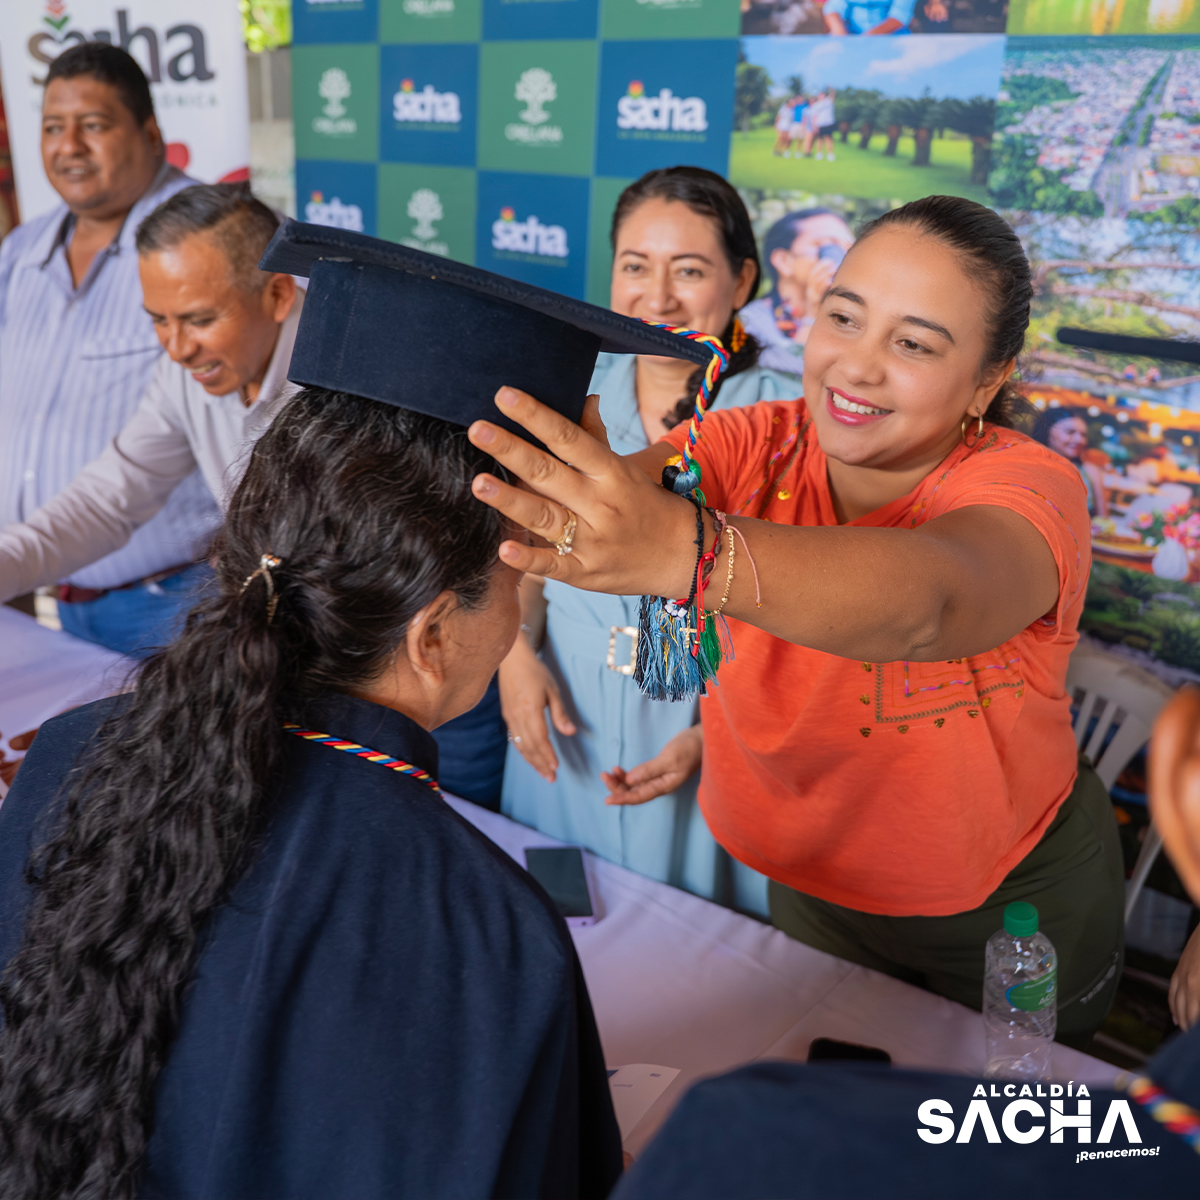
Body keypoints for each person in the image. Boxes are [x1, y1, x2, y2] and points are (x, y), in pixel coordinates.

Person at [0, 216, 713, 1198]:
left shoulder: (65, 756)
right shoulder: (484, 931)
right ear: (431, 633)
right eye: (515, 587)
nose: (516, 620)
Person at [468, 195, 1126, 1045]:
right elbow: (621, 499)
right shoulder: (754, 440)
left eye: (915, 344)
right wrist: (555, 497)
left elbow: (929, 605)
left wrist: (682, 551)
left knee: (1003, 1148)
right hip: (807, 887)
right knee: (837, 1123)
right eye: (842, 318)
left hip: (1007, 909)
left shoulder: (1029, 487)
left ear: (989, 380)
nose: (855, 367)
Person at [610, 687, 1200, 1199]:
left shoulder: (738, 1127)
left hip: (1006, 892)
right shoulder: (1126, 1138)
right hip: (823, 865)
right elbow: (1112, 1138)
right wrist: (716, 734)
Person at [498, 167, 797, 915]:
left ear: (743, 279)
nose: (657, 298)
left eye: (689, 270)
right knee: (563, 950)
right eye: (635, 267)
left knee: (703, 971)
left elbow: (808, 627)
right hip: (566, 718)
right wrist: (512, 659)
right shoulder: (571, 394)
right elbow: (526, 557)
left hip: (713, 739)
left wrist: (715, 742)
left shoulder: (786, 421)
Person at [0, 42, 219, 654]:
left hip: (179, 605)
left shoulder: (205, 246)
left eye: (93, 125)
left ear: (150, 134)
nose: (68, 146)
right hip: (55, 597)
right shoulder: (22, 250)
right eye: (52, 127)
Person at [739, 207, 855, 377]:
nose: (841, 257)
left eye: (849, 248)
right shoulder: (749, 323)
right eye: (827, 246)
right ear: (784, 261)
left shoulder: (857, 320)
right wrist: (815, 315)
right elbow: (790, 381)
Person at [1034, 407, 1109, 518]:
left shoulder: (1090, 471)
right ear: (1047, 431)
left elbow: (1103, 520)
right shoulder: (1032, 467)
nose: (1080, 440)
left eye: (1083, 435)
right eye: (1070, 432)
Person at [823, 0, 917, 31]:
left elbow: (900, 16)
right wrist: (840, 33)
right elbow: (833, 9)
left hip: (893, 40)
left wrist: (865, 41)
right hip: (851, 38)